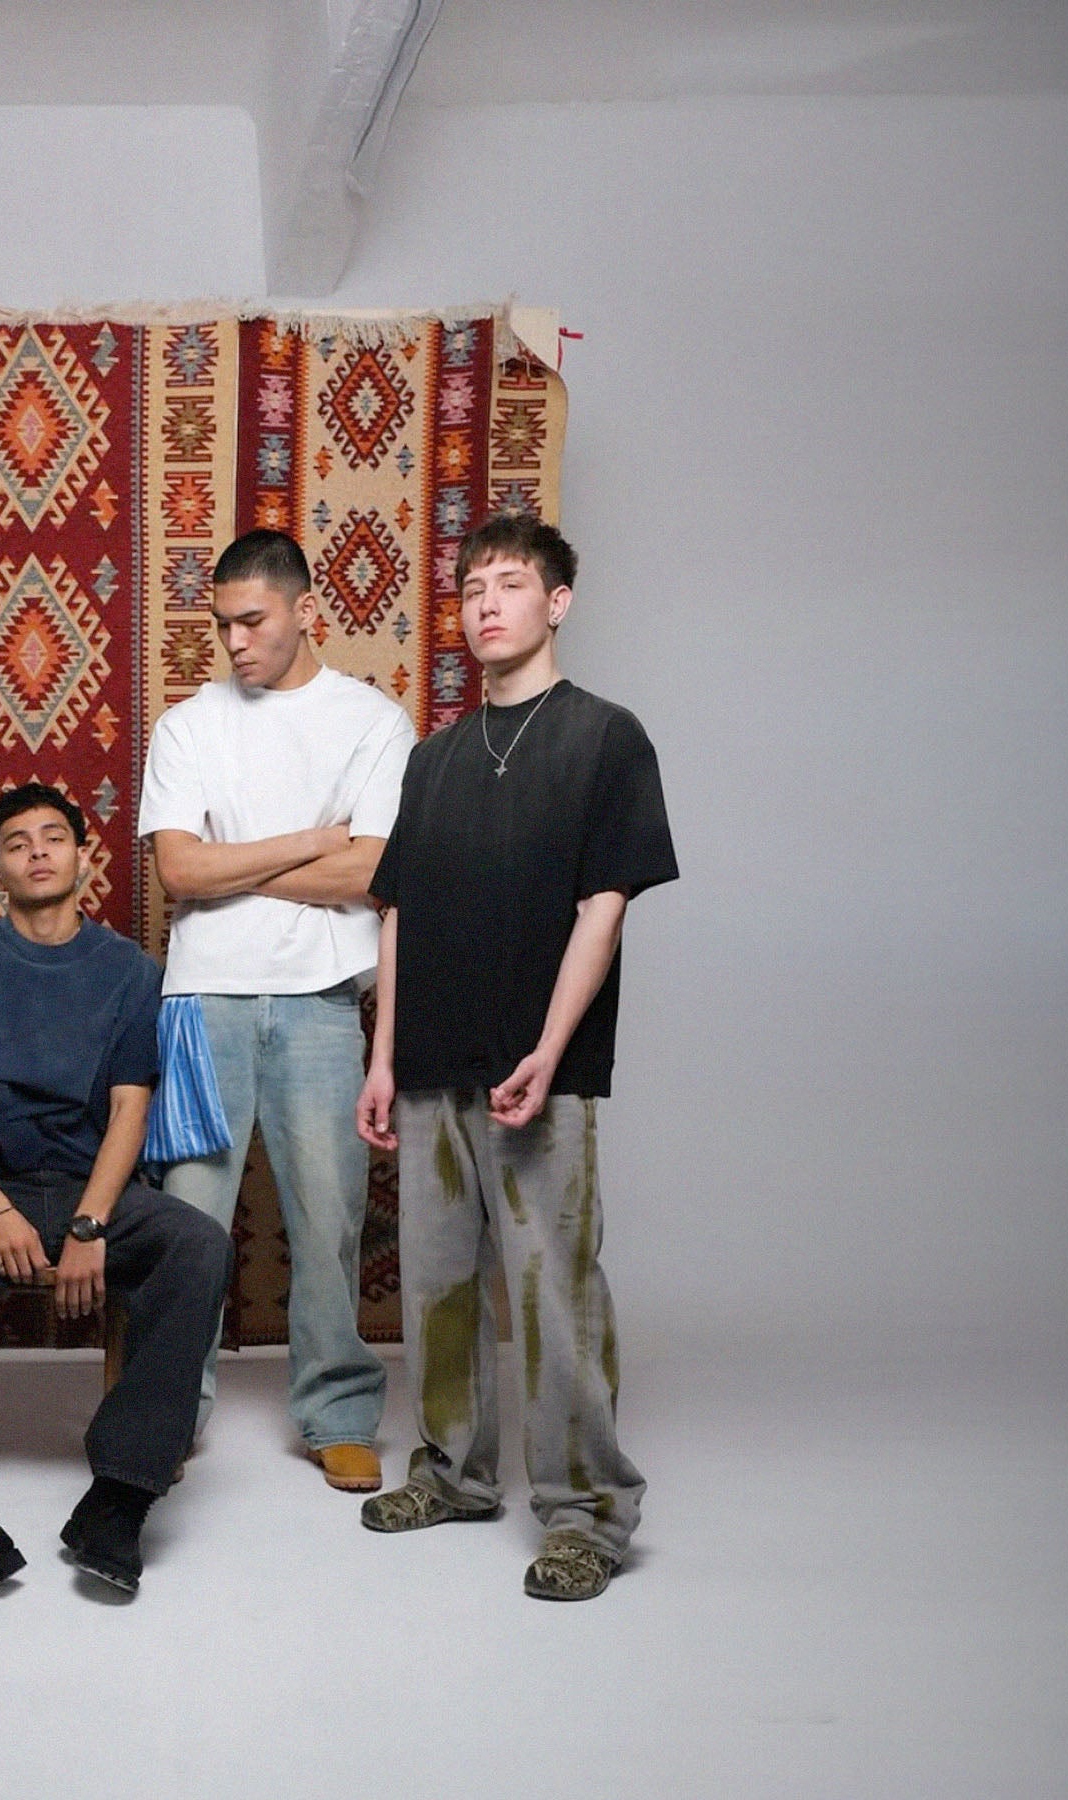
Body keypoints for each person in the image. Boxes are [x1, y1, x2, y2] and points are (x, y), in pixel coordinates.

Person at [354, 511, 678, 1602]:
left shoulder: (605, 738)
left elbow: (605, 903)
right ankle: (453, 1473)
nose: (487, 604)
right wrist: (384, 1057)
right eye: (471, 588)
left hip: (540, 1068)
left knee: (552, 1290)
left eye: (510, 584)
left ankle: (588, 1512)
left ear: (557, 602)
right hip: (431, 1062)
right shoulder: (433, 759)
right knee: (438, 1286)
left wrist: (549, 1046)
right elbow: (397, 914)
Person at [0, 783, 234, 1623]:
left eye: (53, 837)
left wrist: (92, 1222)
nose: (37, 852)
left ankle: (121, 1498)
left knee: (199, 1244)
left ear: (83, 856)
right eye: (17, 843)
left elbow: (131, 1109)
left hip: (99, 1189)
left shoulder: (129, 971)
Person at [138, 527, 411, 1492]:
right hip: (201, 1000)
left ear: (306, 609)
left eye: (252, 621)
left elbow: (373, 871)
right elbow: (178, 870)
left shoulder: (374, 723)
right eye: (222, 624)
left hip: (323, 1002)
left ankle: (338, 1412)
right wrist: (309, 841)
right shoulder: (187, 727)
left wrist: (238, 865)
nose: (235, 641)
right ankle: (167, 1410)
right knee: (189, 1223)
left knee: (330, 1218)